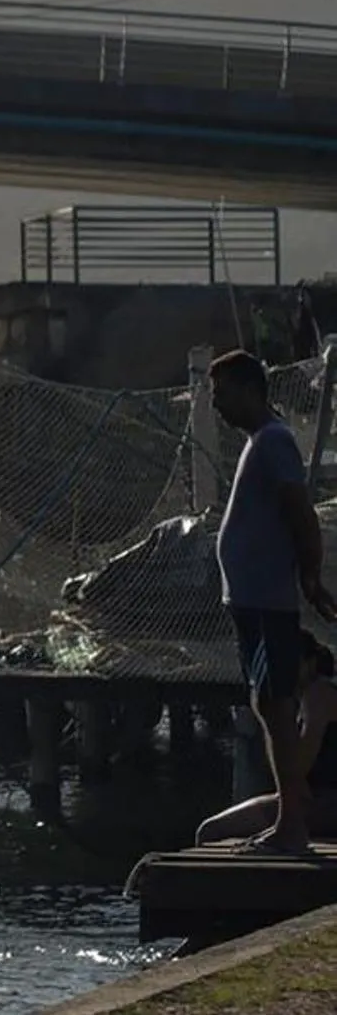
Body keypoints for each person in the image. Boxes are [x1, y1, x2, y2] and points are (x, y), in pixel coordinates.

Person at [211, 346, 337, 852]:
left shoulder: (274, 440)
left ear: (249, 390)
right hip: (250, 599)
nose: (217, 405)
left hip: (268, 598)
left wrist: (310, 576)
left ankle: (291, 826)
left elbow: (299, 512)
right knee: (267, 702)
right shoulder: (257, 443)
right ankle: (289, 819)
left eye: (222, 394)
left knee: (277, 702)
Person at [200, 629, 337, 844]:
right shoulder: (298, 699)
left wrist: (270, 718)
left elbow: (298, 767)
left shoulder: (319, 693)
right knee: (209, 831)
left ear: (310, 662)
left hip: (328, 801)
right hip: (311, 799)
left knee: (213, 832)